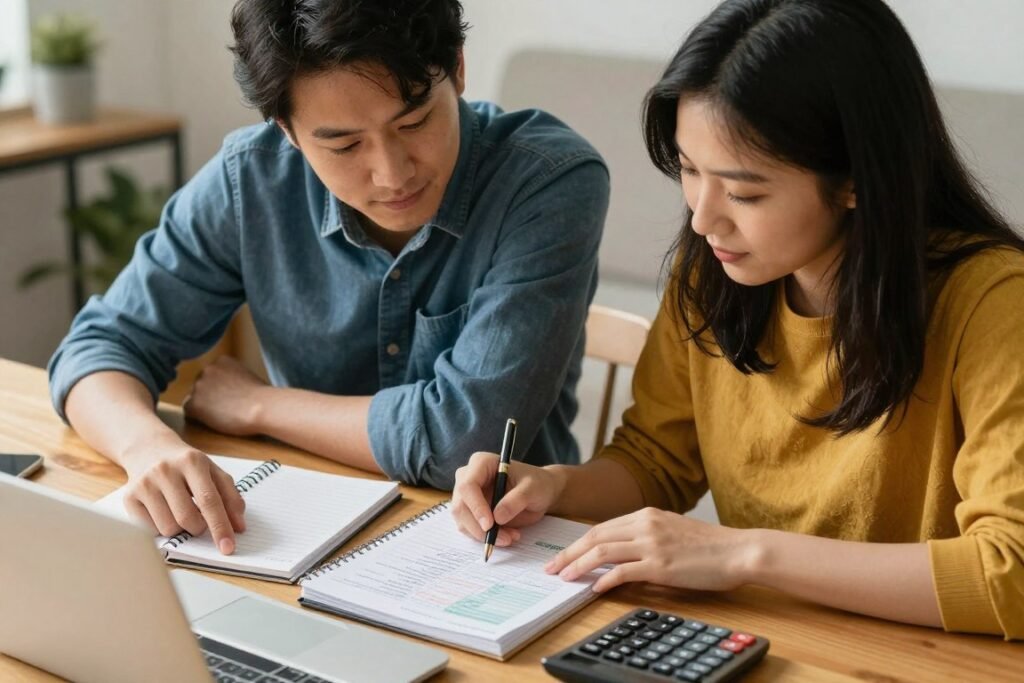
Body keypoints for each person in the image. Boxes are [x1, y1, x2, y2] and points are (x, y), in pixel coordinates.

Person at [451, 0, 1024, 639]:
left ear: (854, 179)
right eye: (689, 171)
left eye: (744, 193)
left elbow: (1012, 572)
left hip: (923, 655)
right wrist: (553, 487)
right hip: (761, 639)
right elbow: (656, 462)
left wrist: (743, 555)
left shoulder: (995, 303)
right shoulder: (716, 273)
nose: (703, 219)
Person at [48, 0, 609, 555]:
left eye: (414, 122)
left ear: (458, 68)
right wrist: (147, 448)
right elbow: (98, 348)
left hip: (510, 551)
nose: (392, 173)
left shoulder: (548, 181)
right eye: (344, 144)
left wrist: (262, 405)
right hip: (295, 535)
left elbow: (461, 440)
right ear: (287, 130)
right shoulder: (253, 179)